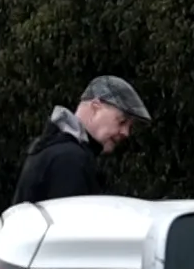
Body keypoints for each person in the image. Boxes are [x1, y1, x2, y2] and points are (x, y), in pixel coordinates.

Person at [11, 75, 151, 205]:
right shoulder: (69, 159)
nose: (126, 133)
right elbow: (73, 227)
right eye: (122, 121)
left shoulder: (52, 149)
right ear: (96, 108)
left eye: (129, 126)